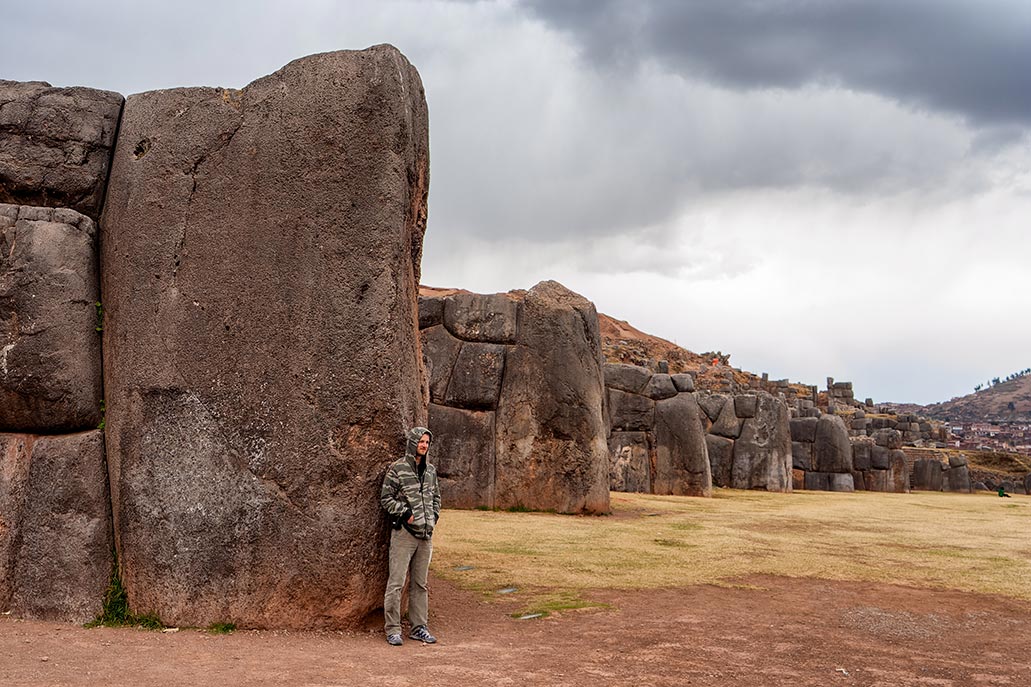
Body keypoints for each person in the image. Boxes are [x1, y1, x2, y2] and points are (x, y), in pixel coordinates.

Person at [380, 426, 440, 646]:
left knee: (420, 584)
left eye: (426, 442)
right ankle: (393, 629)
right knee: (396, 583)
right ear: (412, 442)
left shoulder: (431, 471)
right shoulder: (398, 469)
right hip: (404, 534)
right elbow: (386, 498)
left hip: (426, 535)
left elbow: (436, 498)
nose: (424, 445)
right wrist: (405, 514)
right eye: (421, 441)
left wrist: (433, 517)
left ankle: (419, 627)